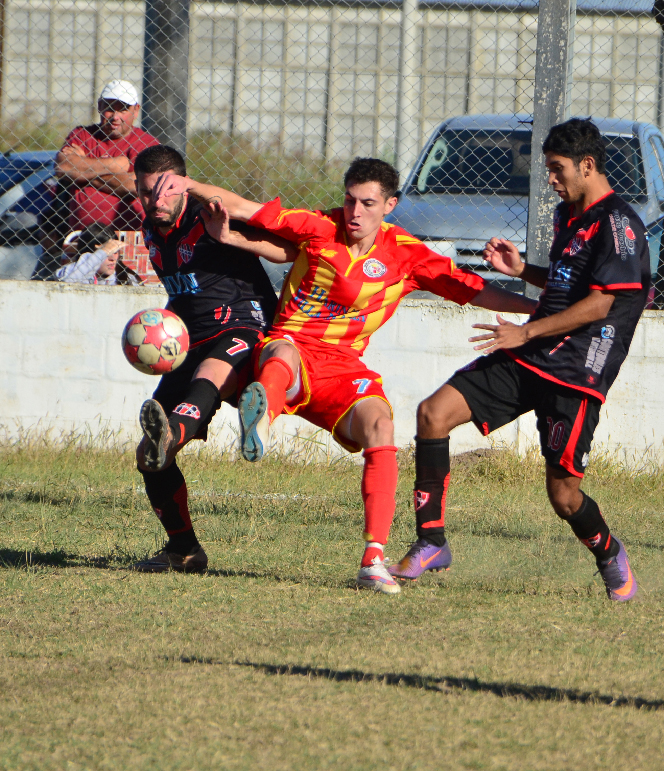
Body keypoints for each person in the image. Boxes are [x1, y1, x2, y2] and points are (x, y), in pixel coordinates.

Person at [150, 157, 536, 593]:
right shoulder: (318, 226)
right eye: (350, 200)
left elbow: (473, 288)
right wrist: (190, 185)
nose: (355, 212)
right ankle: (264, 411)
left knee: (381, 425)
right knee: (281, 352)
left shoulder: (406, 254)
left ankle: (374, 559)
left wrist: (539, 314)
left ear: (390, 205)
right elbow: (245, 207)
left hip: (342, 366)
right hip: (290, 345)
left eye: (368, 203)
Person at [390, 118, 650, 602]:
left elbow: (600, 303)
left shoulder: (619, 225)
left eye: (557, 169)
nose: (550, 179)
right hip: (530, 353)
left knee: (564, 496)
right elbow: (568, 281)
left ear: (587, 165)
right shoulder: (567, 214)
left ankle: (611, 553)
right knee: (433, 414)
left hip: (577, 373)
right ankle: (431, 540)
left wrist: (524, 331)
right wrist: (521, 270)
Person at [131, 145, 298, 574]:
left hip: (242, 324)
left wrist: (228, 230)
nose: (156, 201)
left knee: (210, 375)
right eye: (147, 192)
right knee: (146, 457)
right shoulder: (151, 226)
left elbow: (286, 245)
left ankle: (173, 433)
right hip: (188, 338)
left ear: (183, 186)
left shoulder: (210, 211)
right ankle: (184, 550)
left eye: (166, 191)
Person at [55, 80, 159, 231]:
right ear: (99, 106)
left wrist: (83, 172)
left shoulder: (145, 143)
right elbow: (63, 166)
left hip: (129, 237)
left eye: (123, 110)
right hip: (83, 237)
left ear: (136, 110)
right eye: (109, 108)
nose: (115, 117)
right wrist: (118, 165)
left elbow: (135, 185)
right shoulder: (82, 135)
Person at [54, 223, 141, 285]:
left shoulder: (125, 279)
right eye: (106, 253)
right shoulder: (69, 271)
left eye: (115, 252)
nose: (113, 258)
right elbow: (65, 288)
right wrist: (100, 254)